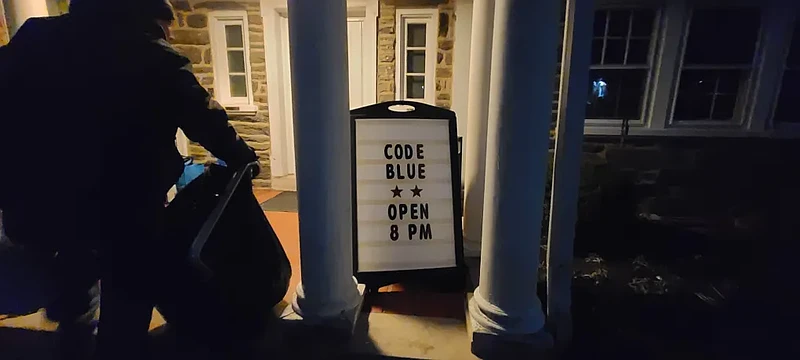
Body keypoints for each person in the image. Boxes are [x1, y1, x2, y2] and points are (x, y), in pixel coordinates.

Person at [0, 0, 259, 358]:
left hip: (46, 199)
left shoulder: (35, 38)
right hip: (125, 206)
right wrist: (243, 157)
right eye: (165, 29)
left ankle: (74, 339)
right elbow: (205, 119)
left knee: (73, 283)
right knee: (127, 298)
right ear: (148, 16)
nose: (167, 36)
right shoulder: (154, 56)